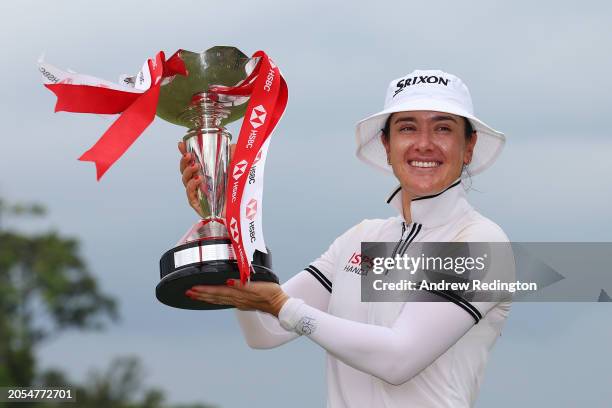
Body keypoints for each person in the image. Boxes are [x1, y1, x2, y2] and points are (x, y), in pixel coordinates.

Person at [178, 69, 511, 408]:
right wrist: (225, 213)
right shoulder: (362, 237)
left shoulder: (481, 241)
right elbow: (263, 332)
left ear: (468, 146)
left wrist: (282, 306)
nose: (424, 143)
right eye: (407, 127)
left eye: (443, 128)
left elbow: (399, 359)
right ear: (386, 143)